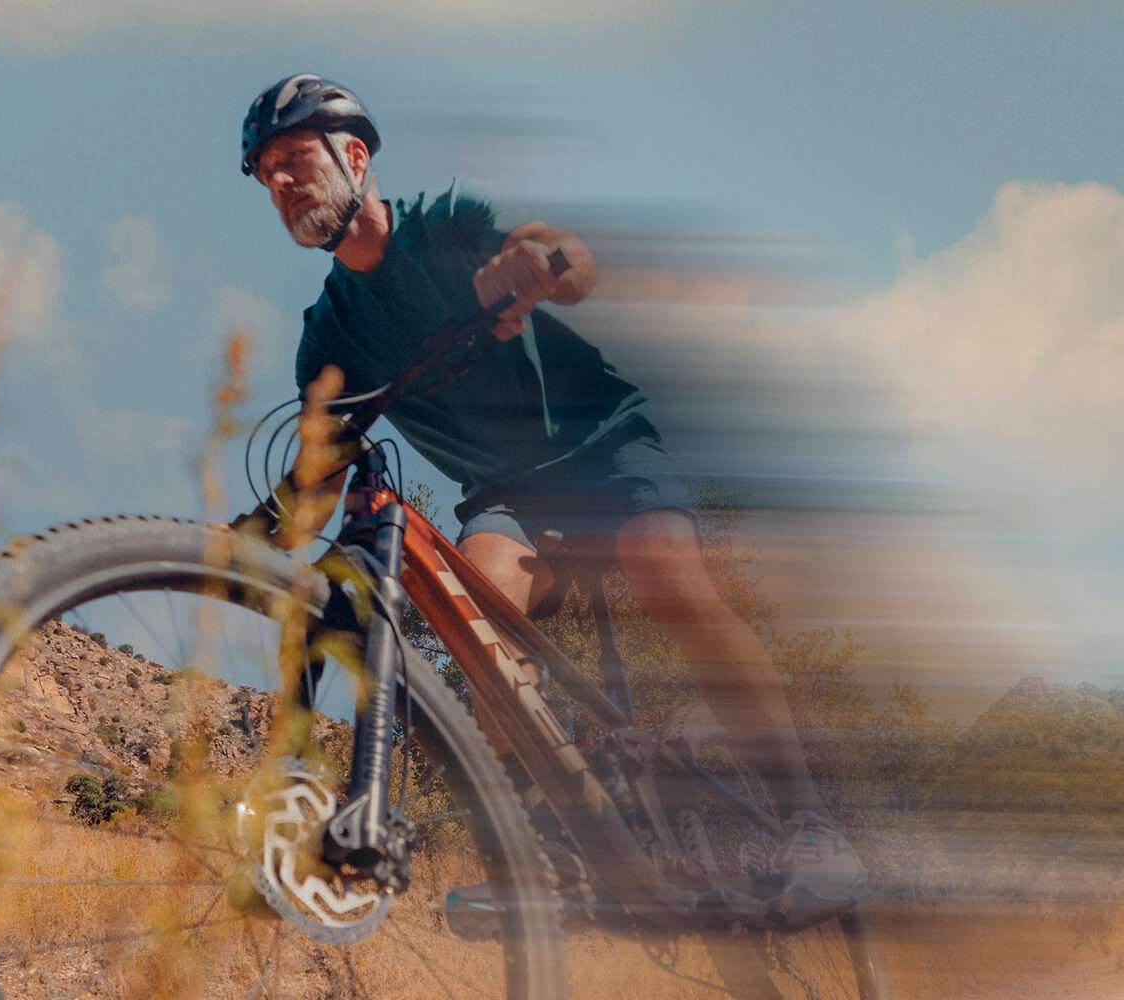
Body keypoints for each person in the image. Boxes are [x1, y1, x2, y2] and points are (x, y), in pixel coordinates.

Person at [240, 73, 864, 912]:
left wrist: (536, 265)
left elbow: (568, 261)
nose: (281, 180)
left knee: (664, 571)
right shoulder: (328, 336)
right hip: (507, 496)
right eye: (265, 171)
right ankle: (559, 847)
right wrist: (255, 533)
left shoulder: (448, 228)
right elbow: (320, 478)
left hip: (604, 450)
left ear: (354, 156)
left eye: (294, 158)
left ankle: (806, 822)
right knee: (473, 616)